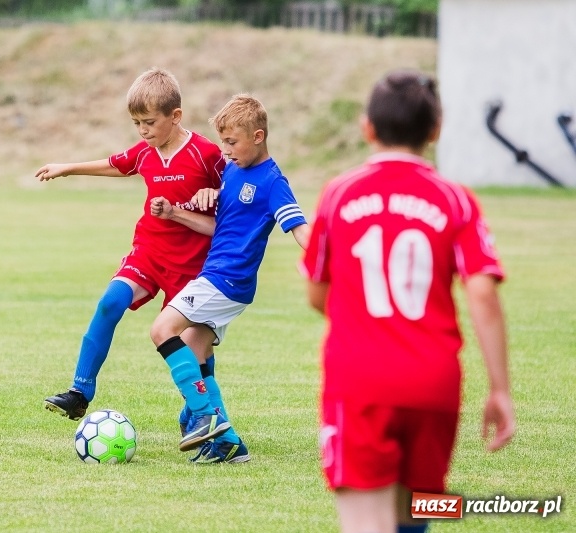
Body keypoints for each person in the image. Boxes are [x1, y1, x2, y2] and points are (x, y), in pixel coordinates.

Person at [301, 69, 516, 533]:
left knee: (367, 524)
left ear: (368, 128)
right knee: (415, 513)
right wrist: (500, 389)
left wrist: (360, 316)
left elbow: (317, 292)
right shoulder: (455, 200)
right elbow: (482, 291)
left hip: (359, 379)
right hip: (433, 382)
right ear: (435, 130)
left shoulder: (339, 195)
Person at [36, 68, 225, 428]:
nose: (143, 130)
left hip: (192, 264)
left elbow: (233, 193)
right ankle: (79, 392)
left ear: (176, 116)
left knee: (194, 345)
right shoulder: (146, 152)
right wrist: (68, 168)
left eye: (150, 122)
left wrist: (214, 194)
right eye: (137, 122)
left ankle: (200, 410)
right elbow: (115, 164)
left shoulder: (206, 154)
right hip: (149, 252)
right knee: (110, 301)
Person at [149, 94, 309, 463]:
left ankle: (204, 415)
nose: (226, 150)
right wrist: (175, 213)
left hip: (227, 279)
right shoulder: (234, 170)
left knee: (162, 330)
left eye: (232, 142)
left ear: (257, 136)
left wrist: (329, 256)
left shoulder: (272, 182)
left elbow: (299, 229)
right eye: (223, 141)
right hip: (219, 276)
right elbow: (220, 227)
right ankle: (228, 443)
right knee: (194, 348)